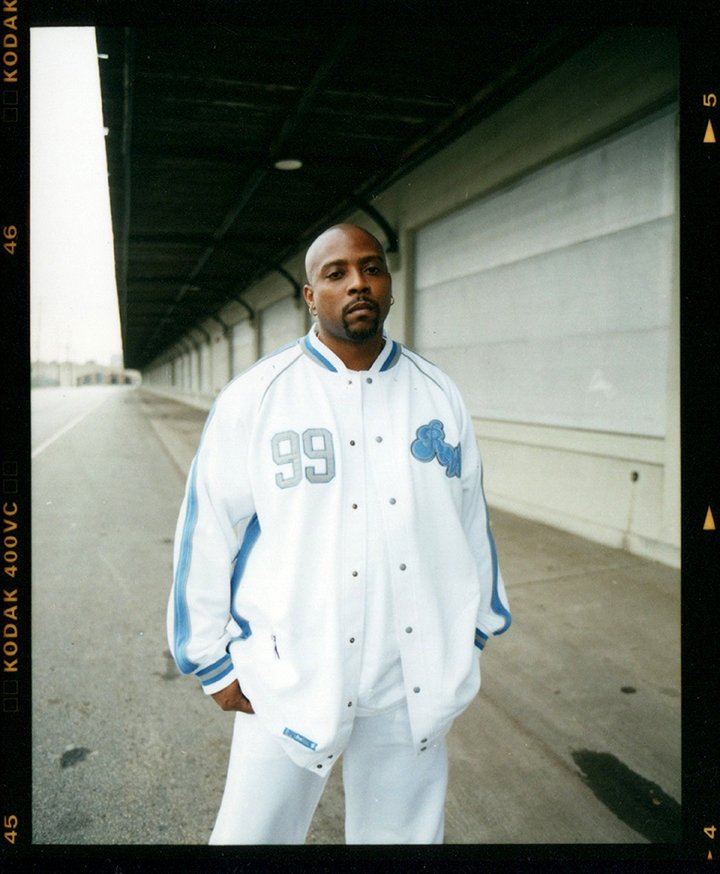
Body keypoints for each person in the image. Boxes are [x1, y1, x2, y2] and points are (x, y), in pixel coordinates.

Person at [167, 223, 511, 845]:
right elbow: (208, 528)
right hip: (290, 673)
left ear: (387, 284)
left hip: (411, 681)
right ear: (309, 295)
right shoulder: (257, 396)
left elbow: (468, 520)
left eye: (371, 268)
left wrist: (477, 626)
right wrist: (209, 661)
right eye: (336, 273)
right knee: (251, 841)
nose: (358, 283)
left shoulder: (439, 394)